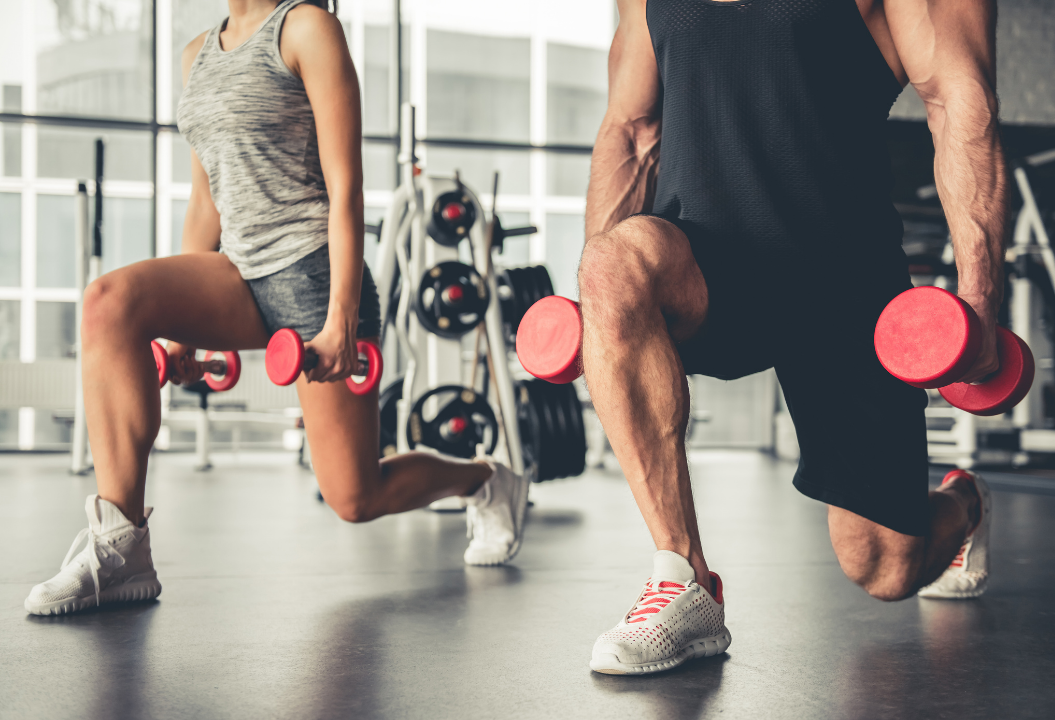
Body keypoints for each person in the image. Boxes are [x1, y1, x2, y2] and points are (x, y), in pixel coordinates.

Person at [24, 0, 529, 617]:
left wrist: (341, 316)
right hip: (235, 270)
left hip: (311, 273)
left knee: (354, 496)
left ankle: (484, 479)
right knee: (109, 302)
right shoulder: (198, 54)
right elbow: (205, 200)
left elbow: (345, 186)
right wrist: (181, 336)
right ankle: (121, 542)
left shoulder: (306, 28)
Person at [583, 0, 1005, 674]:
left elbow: (958, 100)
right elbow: (632, 131)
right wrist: (596, 308)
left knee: (883, 564)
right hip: (706, 267)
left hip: (845, 285)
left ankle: (964, 504)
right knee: (610, 262)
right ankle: (683, 577)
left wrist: (979, 302)